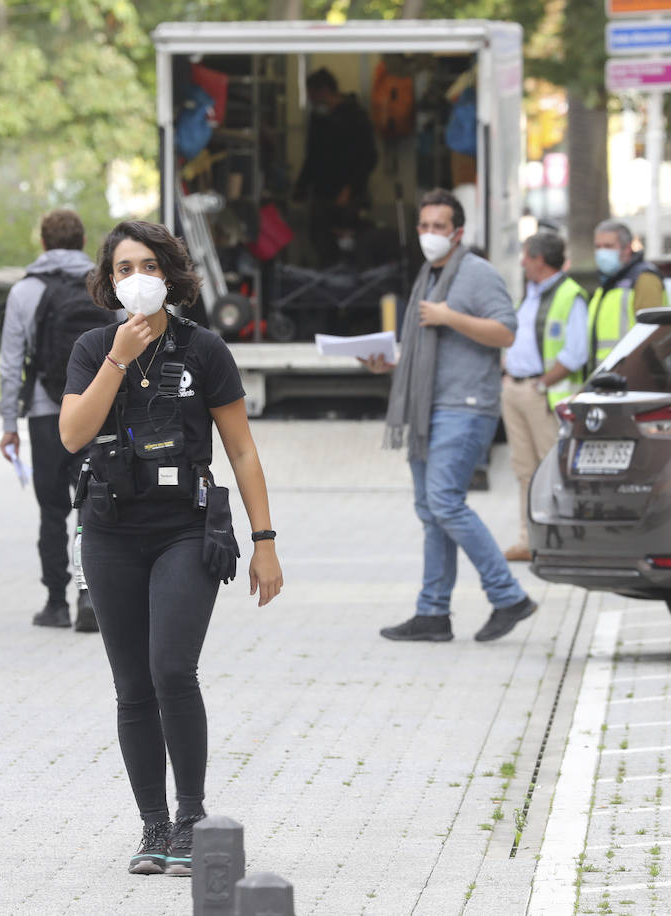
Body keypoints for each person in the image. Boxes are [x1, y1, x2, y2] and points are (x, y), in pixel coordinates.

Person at [59, 220, 283, 877]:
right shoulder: (94, 347)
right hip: (109, 531)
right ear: (108, 280)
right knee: (132, 686)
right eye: (123, 268)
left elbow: (241, 448)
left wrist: (265, 540)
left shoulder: (204, 349)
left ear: (171, 275)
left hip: (186, 530)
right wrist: (117, 361)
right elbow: (73, 434)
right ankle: (152, 827)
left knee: (171, 670)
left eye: (149, 266)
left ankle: (191, 816)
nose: (137, 279)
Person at [361, 189, 537, 643]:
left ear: (458, 232)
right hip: (429, 407)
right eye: (424, 226)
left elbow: (506, 331)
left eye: (439, 227)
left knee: (444, 503)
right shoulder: (428, 276)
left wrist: (449, 316)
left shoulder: (476, 275)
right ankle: (433, 613)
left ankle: (508, 595)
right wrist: (389, 362)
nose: (430, 234)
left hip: (466, 408)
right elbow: (429, 352)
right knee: (431, 511)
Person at [0, 209, 113, 632]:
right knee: (91, 506)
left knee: (51, 511)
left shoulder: (24, 292)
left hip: (47, 414)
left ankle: (54, 604)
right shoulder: (104, 287)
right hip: (96, 414)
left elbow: (11, 364)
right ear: (83, 244)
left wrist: (9, 422)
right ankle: (89, 594)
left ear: (44, 244)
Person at [500, 231, 588, 562]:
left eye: (525, 256)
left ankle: (562, 539)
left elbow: (575, 353)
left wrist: (541, 384)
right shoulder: (532, 294)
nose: (521, 262)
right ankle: (529, 540)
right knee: (524, 469)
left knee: (552, 470)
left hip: (544, 396)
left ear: (538, 259)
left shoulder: (569, 295)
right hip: (518, 390)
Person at [293, 67, 378, 265]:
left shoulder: (355, 116)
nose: (312, 100)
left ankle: (347, 283)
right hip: (322, 192)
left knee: (347, 240)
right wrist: (301, 187)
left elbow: (367, 157)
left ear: (324, 91)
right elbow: (313, 156)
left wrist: (350, 188)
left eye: (313, 94)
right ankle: (329, 282)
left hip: (349, 193)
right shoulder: (318, 119)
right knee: (319, 237)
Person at [587, 219, 667, 373]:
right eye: (598, 247)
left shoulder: (644, 278)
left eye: (608, 246)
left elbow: (650, 335)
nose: (601, 252)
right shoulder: (607, 284)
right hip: (607, 377)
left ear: (627, 248)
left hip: (631, 376)